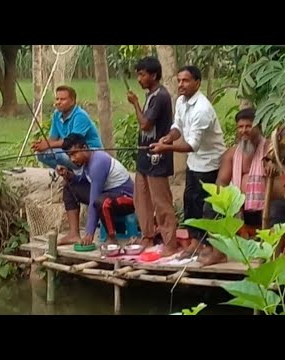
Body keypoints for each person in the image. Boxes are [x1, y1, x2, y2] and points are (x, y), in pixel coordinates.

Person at [149, 65, 226, 259]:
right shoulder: (182, 101)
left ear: (197, 82)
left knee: (205, 206)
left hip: (210, 163)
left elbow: (193, 145)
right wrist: (168, 138)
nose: (181, 85)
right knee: (189, 201)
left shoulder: (202, 109)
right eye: (179, 81)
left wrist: (166, 148)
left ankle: (208, 246)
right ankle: (194, 242)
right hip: (194, 163)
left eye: (186, 80)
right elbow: (177, 127)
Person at [201, 108, 285, 265]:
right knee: (211, 205)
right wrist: (225, 202)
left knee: (279, 208)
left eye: (248, 126)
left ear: (258, 127)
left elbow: (282, 186)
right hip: (240, 210)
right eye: (240, 127)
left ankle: (272, 258)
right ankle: (218, 253)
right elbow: (221, 182)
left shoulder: (271, 150)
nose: (244, 131)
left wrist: (274, 167)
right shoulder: (232, 154)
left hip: (266, 207)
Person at [126, 56, 178, 257]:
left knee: (161, 199)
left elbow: (146, 124)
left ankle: (170, 242)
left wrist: (135, 104)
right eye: (138, 74)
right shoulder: (151, 94)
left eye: (142, 74)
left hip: (157, 154)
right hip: (143, 154)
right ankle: (147, 235)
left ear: (153, 75)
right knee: (141, 198)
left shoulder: (161, 96)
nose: (139, 79)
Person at [56, 133, 134, 246]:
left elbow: (94, 199)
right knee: (69, 187)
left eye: (74, 154)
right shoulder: (88, 160)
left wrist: (89, 232)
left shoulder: (98, 162)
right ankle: (73, 234)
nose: (72, 159)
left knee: (100, 201)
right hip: (108, 194)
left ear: (84, 148)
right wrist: (69, 175)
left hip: (126, 199)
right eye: (69, 156)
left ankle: (112, 237)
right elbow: (86, 180)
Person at [31, 85, 102, 171]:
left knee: (58, 154)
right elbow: (53, 139)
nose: (58, 102)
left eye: (62, 99)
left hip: (87, 154)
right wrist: (41, 144)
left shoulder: (80, 116)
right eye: (57, 99)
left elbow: (73, 141)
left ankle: (78, 172)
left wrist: (48, 145)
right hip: (69, 151)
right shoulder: (56, 115)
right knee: (40, 154)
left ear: (72, 101)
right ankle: (66, 172)